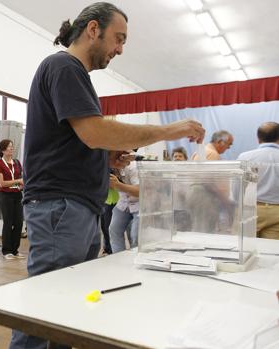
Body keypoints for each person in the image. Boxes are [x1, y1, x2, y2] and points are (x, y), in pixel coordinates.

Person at [12, 3, 205, 348]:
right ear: (92, 30)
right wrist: (167, 130)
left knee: (64, 309)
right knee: (45, 308)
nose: (119, 49)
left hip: (76, 206)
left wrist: (104, 157)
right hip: (61, 206)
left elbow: (79, 140)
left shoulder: (74, 74)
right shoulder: (64, 66)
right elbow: (94, 132)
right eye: (118, 39)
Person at [237, 122, 279, 239]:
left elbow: (238, 187)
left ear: (258, 138)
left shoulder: (244, 157)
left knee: (246, 251)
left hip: (250, 210)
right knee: (272, 252)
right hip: (277, 212)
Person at [0, 139, 25, 259]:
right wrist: (17, 182)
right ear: (3, 150)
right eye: (9, 147)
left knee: (18, 222)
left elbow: (22, 181)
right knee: (8, 222)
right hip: (5, 196)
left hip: (17, 195)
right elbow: (2, 183)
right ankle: (7, 251)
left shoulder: (17, 163)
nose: (12, 148)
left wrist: (19, 184)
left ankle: (15, 250)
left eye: (12, 146)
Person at [108, 162, 139, 253]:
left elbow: (140, 191)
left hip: (140, 203)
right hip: (123, 203)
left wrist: (117, 185)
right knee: (114, 230)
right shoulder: (107, 167)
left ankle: (136, 259)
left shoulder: (133, 168)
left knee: (136, 235)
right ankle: (118, 258)